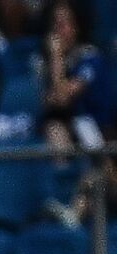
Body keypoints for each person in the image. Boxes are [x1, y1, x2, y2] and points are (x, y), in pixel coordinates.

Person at [41, 1, 107, 155]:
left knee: (84, 126)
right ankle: (63, 176)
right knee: (54, 129)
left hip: (99, 126)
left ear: (76, 27)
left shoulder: (90, 56)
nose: (59, 31)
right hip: (69, 126)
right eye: (55, 24)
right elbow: (47, 101)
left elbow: (62, 98)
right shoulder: (47, 61)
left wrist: (56, 56)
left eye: (64, 24)